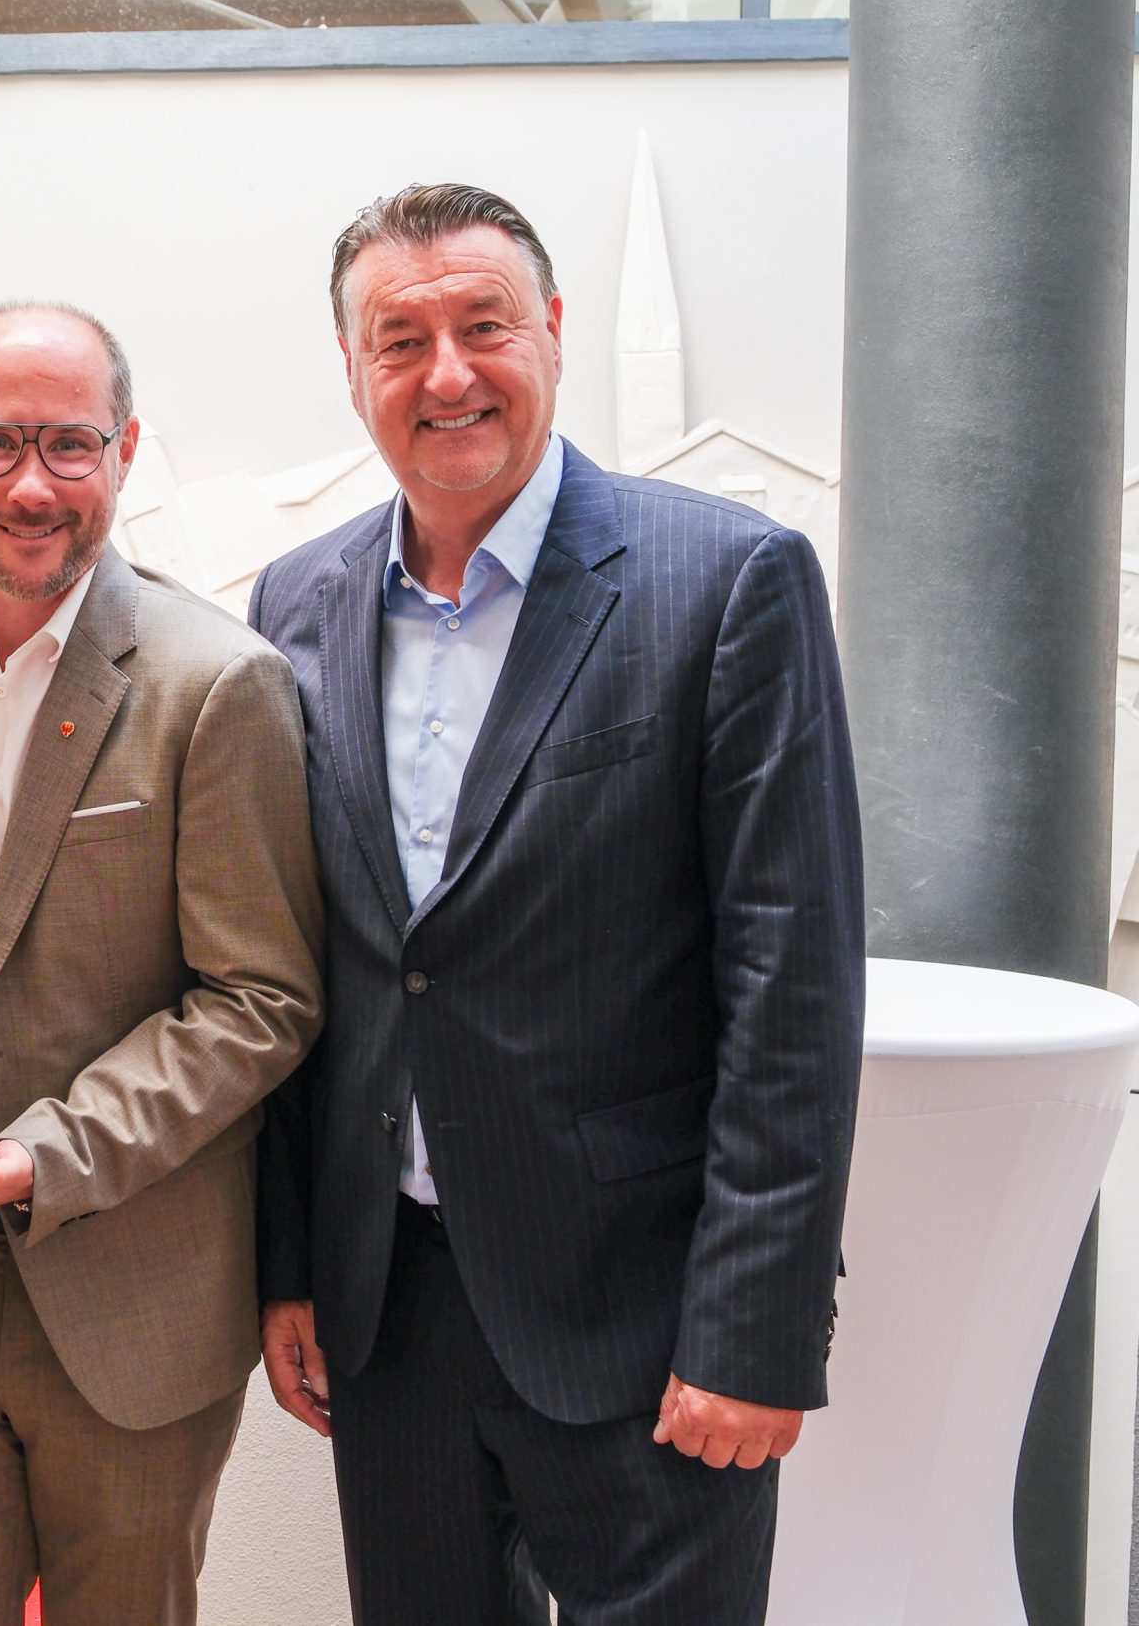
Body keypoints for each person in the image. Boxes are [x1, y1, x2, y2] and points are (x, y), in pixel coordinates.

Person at [249, 183, 863, 1623]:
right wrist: (290, 1265)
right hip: (389, 1313)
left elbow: (792, 985)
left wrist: (753, 1329)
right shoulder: (292, 604)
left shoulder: (726, 579)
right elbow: (298, 961)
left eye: (485, 325)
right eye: (400, 340)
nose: (446, 373)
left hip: (645, 1325)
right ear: (350, 368)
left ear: (555, 333)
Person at [0, 303, 327, 1626]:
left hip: (133, 1294)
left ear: (125, 450)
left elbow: (260, 1001)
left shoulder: (220, 682)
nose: (32, 486)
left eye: (70, 443)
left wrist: (41, 1154)